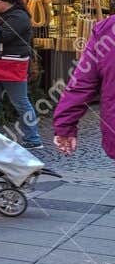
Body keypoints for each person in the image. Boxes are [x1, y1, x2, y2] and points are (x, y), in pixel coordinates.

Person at [0, 0, 43, 152]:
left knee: (21, 102)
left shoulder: (19, 17)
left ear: (4, 2)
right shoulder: (3, 15)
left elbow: (0, 38)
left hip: (12, 65)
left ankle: (33, 138)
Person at [52, 13, 115, 158]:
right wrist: (65, 125)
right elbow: (83, 83)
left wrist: (65, 125)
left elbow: (83, 83)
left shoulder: (107, 29)